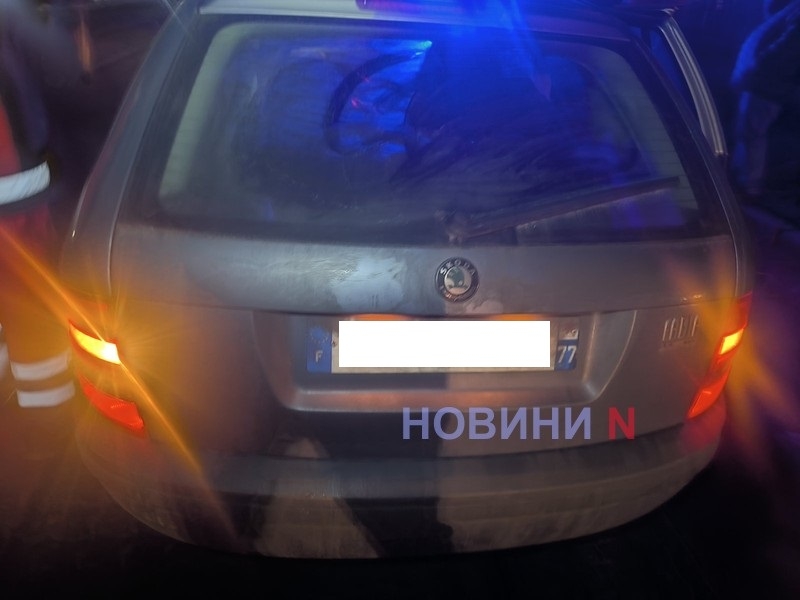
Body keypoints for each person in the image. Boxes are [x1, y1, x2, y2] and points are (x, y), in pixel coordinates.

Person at [0, 0, 82, 412]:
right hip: (17, 199)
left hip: (16, 191)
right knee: (31, 313)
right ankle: (47, 416)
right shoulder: (12, 14)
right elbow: (70, 76)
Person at [730, 0, 800, 198]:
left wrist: (757, 70)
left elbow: (786, 50)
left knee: (751, 134)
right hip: (765, 83)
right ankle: (744, 181)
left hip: (765, 85)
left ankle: (749, 186)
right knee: (748, 133)